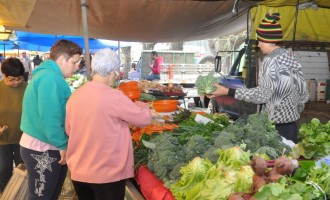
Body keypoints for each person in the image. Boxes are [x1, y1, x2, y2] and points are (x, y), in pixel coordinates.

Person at [207, 13, 309, 143]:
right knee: (289, 161)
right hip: (291, 126)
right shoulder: (290, 58)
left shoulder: (270, 61)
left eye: (260, 40)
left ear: (269, 40)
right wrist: (291, 112)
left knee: (275, 163)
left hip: (275, 129)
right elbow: (304, 95)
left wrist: (227, 91)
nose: (259, 44)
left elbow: (262, 95)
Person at [65, 48, 152, 200]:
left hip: (79, 172)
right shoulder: (114, 96)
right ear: (112, 73)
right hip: (107, 175)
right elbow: (144, 119)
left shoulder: (76, 95)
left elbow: (68, 130)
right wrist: (142, 105)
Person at [19, 39, 82, 199]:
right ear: (61, 59)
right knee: (42, 196)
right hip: (42, 149)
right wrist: (62, 143)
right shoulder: (50, 78)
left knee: (49, 195)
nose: (77, 67)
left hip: (45, 146)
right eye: (74, 62)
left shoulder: (49, 76)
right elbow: (49, 118)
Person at [0, 58, 27, 193]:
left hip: (23, 138)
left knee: (22, 169)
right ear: (5, 75)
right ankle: (5, 194)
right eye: (12, 79)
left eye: (19, 79)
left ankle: (21, 195)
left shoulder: (27, 88)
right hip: (3, 139)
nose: (16, 82)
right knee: (3, 170)